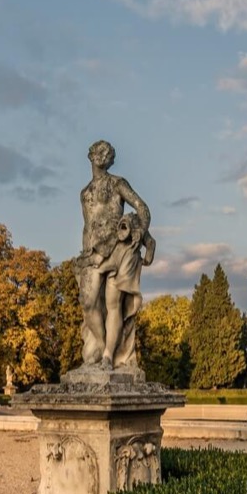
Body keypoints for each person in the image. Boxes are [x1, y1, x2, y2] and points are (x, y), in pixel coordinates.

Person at [78, 140, 155, 371]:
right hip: (93, 252)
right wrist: (85, 254)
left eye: (107, 153)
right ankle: (102, 346)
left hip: (117, 247)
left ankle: (109, 356)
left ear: (110, 159)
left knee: (113, 304)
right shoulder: (85, 193)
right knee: (89, 303)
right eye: (99, 152)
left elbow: (142, 207)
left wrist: (142, 231)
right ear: (90, 156)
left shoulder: (117, 183)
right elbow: (87, 225)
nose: (103, 156)